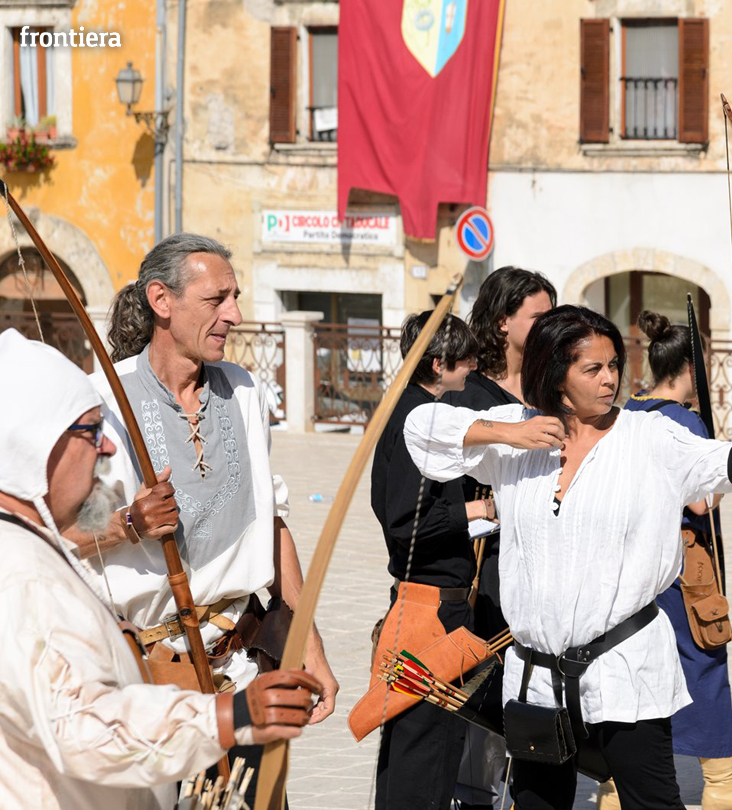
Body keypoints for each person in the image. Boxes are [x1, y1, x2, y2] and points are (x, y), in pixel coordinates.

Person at [402, 306, 732, 810]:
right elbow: (421, 426)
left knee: (652, 803)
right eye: (593, 369)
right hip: (536, 678)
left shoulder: (647, 435)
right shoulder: (519, 432)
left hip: (625, 668)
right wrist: (508, 433)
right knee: (536, 804)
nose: (610, 379)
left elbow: (718, 460)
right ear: (555, 373)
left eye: (613, 366)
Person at [62, 234, 339, 799]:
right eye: (217, 299)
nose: (234, 315)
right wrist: (130, 524)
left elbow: (270, 521)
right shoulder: (101, 400)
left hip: (244, 672)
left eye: (234, 298)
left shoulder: (245, 390)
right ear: (161, 300)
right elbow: (59, 534)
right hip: (151, 685)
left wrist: (309, 640)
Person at [0, 329, 322, 810]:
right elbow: (84, 728)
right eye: (91, 432)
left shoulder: (30, 551)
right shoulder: (22, 573)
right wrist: (231, 716)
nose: (106, 448)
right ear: (35, 443)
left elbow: (269, 519)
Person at [615, 310, 732, 810]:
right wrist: (723, 470)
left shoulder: (629, 410)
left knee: (631, 665)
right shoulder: (683, 420)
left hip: (634, 559)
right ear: (692, 366)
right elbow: (701, 502)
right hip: (684, 565)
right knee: (703, 659)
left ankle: (614, 787)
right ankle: (723, 783)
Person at [445, 267, 555, 810]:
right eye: (538, 316)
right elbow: (442, 492)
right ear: (502, 320)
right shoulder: (467, 394)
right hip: (481, 566)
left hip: (541, 559)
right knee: (482, 688)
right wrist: (493, 507)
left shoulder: (547, 386)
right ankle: (474, 795)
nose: (548, 326)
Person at [370, 311, 488, 809]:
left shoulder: (416, 409)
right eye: (465, 360)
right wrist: (480, 510)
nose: (472, 368)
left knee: (419, 748)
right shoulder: (415, 418)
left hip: (431, 603)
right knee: (425, 751)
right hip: (430, 611)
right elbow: (405, 520)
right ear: (439, 364)